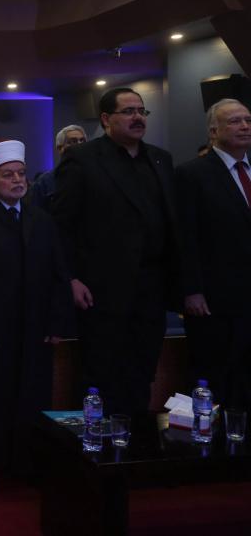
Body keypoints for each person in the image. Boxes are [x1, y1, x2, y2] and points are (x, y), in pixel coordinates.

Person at [51, 87, 179, 416]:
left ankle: (135, 436)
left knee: (142, 370)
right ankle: (97, 439)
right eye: (129, 111)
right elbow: (61, 226)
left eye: (142, 111)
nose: (138, 117)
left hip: (151, 287)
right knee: (102, 373)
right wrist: (70, 278)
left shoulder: (160, 159)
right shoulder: (82, 159)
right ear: (107, 119)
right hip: (101, 288)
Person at [0, 140, 73, 494]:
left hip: (34, 328)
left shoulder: (42, 219)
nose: (17, 180)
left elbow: (59, 274)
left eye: (21, 174)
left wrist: (56, 322)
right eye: (8, 175)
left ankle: (26, 463)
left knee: (31, 397)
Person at [175, 99, 251, 410]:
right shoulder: (192, 174)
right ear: (213, 131)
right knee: (216, 377)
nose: (244, 127)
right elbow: (185, 236)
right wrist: (191, 289)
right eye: (234, 121)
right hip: (214, 299)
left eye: (247, 120)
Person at [29, 125, 87, 211]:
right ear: (60, 148)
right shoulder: (44, 182)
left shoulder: (95, 176)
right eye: (73, 141)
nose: (80, 145)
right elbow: (35, 213)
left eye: (82, 141)